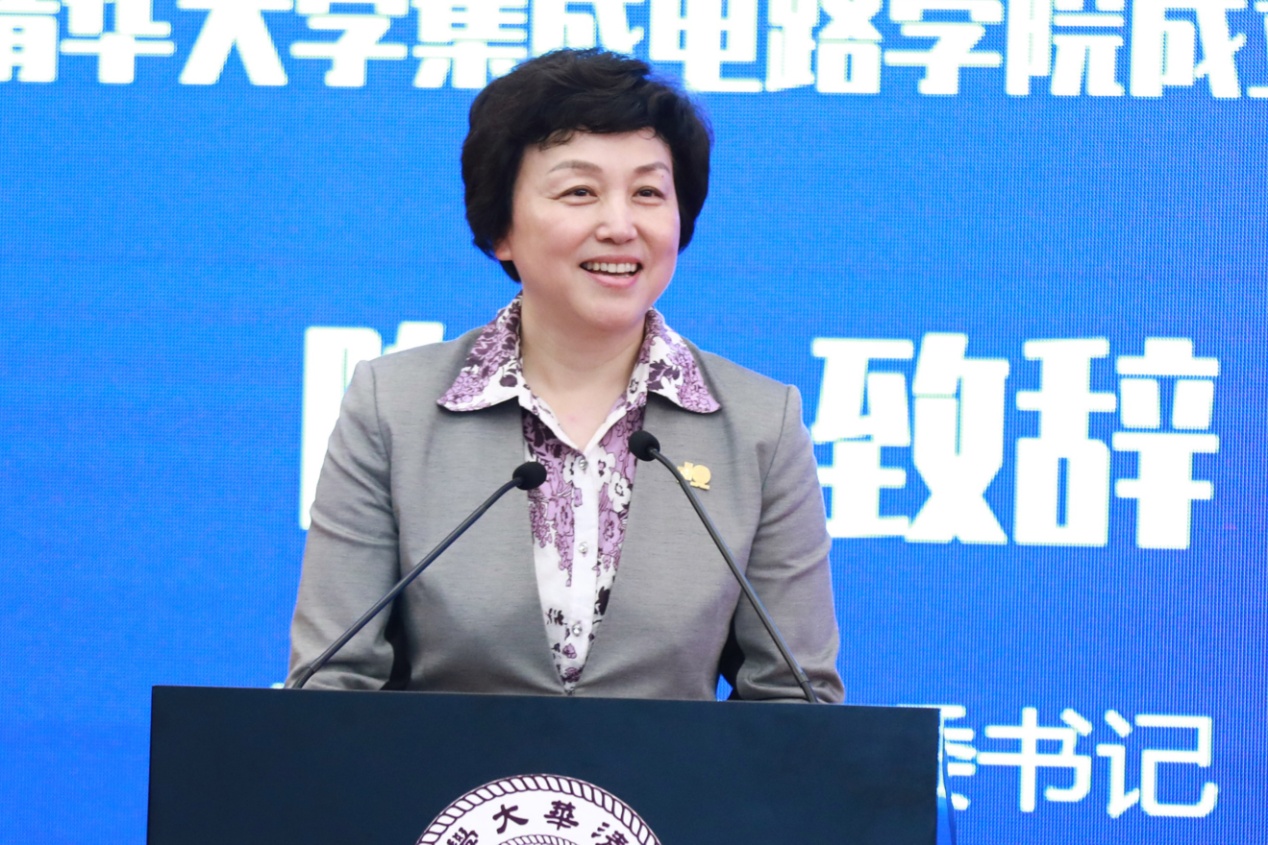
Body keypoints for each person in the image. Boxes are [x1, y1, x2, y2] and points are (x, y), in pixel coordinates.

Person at [287, 49, 844, 703]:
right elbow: (330, 686)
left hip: (672, 776)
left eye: (648, 193)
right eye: (579, 192)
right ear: (501, 228)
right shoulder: (394, 407)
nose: (620, 226)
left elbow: (796, 702)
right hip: (443, 774)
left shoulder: (759, 425)